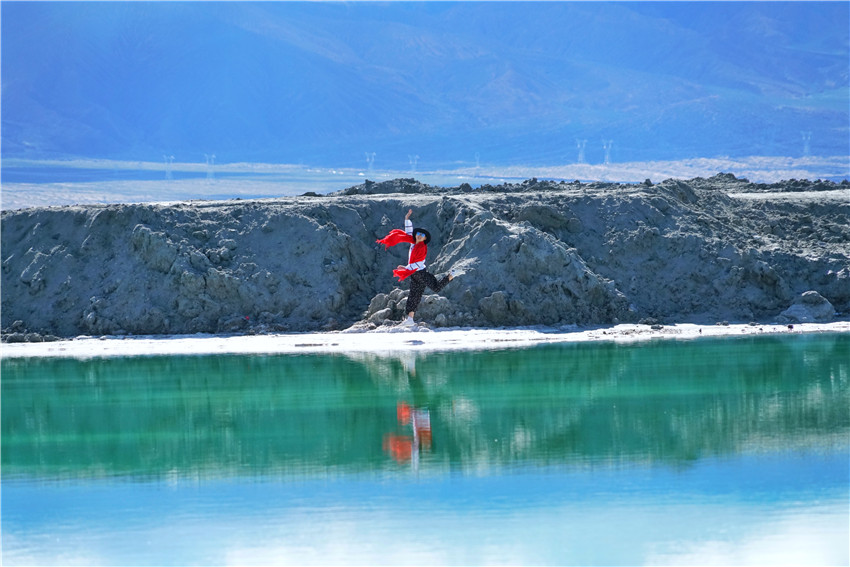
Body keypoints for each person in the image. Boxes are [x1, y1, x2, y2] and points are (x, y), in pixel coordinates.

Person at [376, 208, 461, 326]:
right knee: (414, 295)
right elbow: (409, 233)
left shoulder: (422, 247)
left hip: (420, 273)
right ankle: (410, 320)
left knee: (435, 288)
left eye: (423, 235)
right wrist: (407, 219)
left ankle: (452, 274)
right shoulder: (413, 242)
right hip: (415, 274)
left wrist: (406, 269)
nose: (420, 236)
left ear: (425, 239)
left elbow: (418, 263)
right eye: (419, 234)